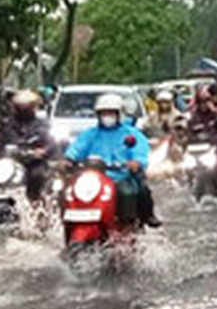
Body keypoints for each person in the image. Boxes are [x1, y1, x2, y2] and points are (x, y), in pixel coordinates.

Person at [65, 93, 162, 227]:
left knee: (127, 192)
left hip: (120, 176)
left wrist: (136, 162)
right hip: (94, 178)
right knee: (69, 192)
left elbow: (140, 151)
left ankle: (128, 226)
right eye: (103, 113)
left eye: (110, 113)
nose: (107, 116)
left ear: (119, 114)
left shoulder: (130, 133)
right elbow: (76, 149)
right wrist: (69, 159)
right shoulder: (90, 134)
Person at [0, 89, 57, 200]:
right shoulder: (8, 124)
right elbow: (1, 141)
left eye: (26, 106)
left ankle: (35, 200)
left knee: (38, 175)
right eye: (20, 106)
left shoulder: (42, 124)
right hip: (12, 162)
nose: (23, 109)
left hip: (34, 163)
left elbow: (51, 141)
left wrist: (43, 150)